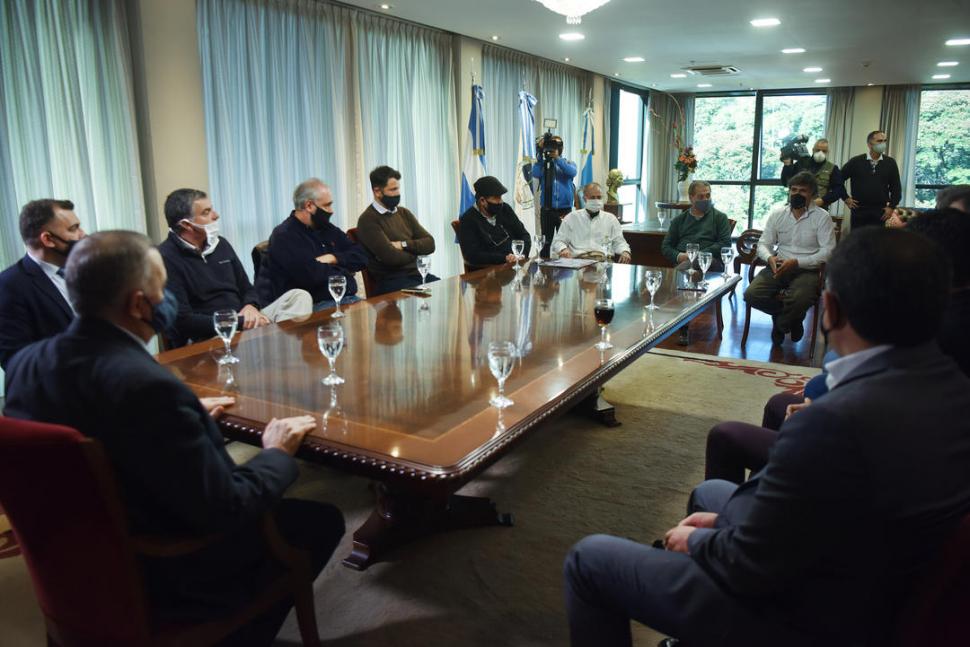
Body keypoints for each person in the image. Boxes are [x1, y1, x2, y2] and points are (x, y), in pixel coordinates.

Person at [564, 226, 970, 646]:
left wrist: (704, 540)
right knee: (713, 493)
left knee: (590, 559)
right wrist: (725, 523)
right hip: (872, 575)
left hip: (804, 614)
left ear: (830, 308)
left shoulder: (834, 422)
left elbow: (749, 565)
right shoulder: (955, 388)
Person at [3, 231, 344, 644]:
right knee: (322, 520)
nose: (169, 299)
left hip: (73, 560)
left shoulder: (25, 364)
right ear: (138, 303)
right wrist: (277, 453)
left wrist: (181, 419)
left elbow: (87, 429)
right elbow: (228, 506)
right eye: (162, 288)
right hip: (164, 566)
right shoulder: (150, 387)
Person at [158, 188, 313, 347]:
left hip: (244, 321)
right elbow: (183, 321)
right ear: (186, 225)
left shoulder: (221, 244)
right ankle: (279, 346)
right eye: (206, 212)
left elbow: (247, 288)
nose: (216, 215)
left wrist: (250, 307)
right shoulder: (165, 257)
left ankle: (280, 347)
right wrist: (238, 322)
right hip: (210, 336)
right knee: (263, 334)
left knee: (298, 296)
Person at [744, 171, 836, 345]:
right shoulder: (778, 214)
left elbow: (828, 251)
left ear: (812, 194)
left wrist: (798, 262)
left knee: (800, 298)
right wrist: (769, 258)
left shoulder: (822, 217)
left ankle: (781, 325)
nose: (797, 194)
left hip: (808, 269)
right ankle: (791, 318)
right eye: (793, 190)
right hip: (778, 265)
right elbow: (763, 244)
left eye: (803, 190)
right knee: (751, 295)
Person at [0, 199, 86, 369]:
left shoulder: (86, 269)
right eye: (73, 229)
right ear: (48, 239)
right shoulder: (8, 285)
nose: (82, 234)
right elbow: (16, 361)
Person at [259, 178, 368, 310]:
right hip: (312, 307)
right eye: (327, 205)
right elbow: (312, 276)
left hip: (346, 300)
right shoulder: (284, 235)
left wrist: (333, 258)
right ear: (309, 206)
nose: (331, 210)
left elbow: (362, 257)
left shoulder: (326, 228)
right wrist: (345, 271)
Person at [356, 166, 438, 296]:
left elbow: (430, 244)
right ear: (377, 191)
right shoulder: (367, 220)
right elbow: (391, 258)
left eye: (398, 188)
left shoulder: (403, 213)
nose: (398, 193)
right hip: (392, 283)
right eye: (393, 189)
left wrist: (403, 245)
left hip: (417, 276)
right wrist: (417, 251)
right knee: (430, 295)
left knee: (447, 290)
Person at [457, 176, 532, 269]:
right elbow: (472, 255)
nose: (500, 201)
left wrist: (522, 254)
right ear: (482, 201)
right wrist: (504, 258)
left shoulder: (505, 209)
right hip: (487, 274)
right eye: (496, 198)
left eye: (501, 197)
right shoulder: (468, 219)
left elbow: (524, 235)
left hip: (514, 267)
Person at [661, 180, 733, 271]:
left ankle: (676, 276)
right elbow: (666, 246)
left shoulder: (720, 217)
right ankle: (678, 276)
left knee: (695, 260)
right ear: (691, 198)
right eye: (701, 197)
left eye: (708, 195)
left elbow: (725, 243)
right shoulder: (679, 220)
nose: (705, 199)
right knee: (690, 262)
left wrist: (699, 254)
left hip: (710, 261)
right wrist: (679, 256)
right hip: (684, 260)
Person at [551, 183, 631, 262]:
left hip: (603, 263)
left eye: (599, 197)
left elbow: (619, 242)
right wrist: (563, 249)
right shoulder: (571, 218)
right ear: (584, 199)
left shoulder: (611, 219)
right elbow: (558, 241)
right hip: (578, 262)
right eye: (593, 197)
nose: (596, 200)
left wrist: (625, 251)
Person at [841, 130, 902, 229]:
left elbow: (896, 188)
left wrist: (891, 207)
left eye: (884, 141)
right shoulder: (856, 161)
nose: (883, 144)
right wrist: (846, 198)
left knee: (876, 243)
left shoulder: (890, 163)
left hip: (880, 212)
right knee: (857, 242)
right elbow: (838, 180)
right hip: (859, 210)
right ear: (869, 144)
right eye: (879, 141)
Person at [531, 134, 578, 257]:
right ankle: (545, 270)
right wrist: (541, 158)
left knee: (566, 241)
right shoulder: (542, 164)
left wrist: (557, 159)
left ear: (561, 148)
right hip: (547, 210)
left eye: (555, 145)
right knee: (546, 242)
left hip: (565, 209)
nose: (552, 147)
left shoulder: (567, 162)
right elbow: (535, 173)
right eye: (550, 145)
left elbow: (572, 172)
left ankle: (567, 270)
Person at [780, 138, 847, 208]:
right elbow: (785, 182)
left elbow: (839, 189)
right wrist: (787, 165)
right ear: (813, 150)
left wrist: (823, 200)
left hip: (819, 208)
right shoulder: (801, 163)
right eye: (818, 150)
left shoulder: (832, 168)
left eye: (824, 151)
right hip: (796, 206)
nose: (820, 153)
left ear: (827, 152)